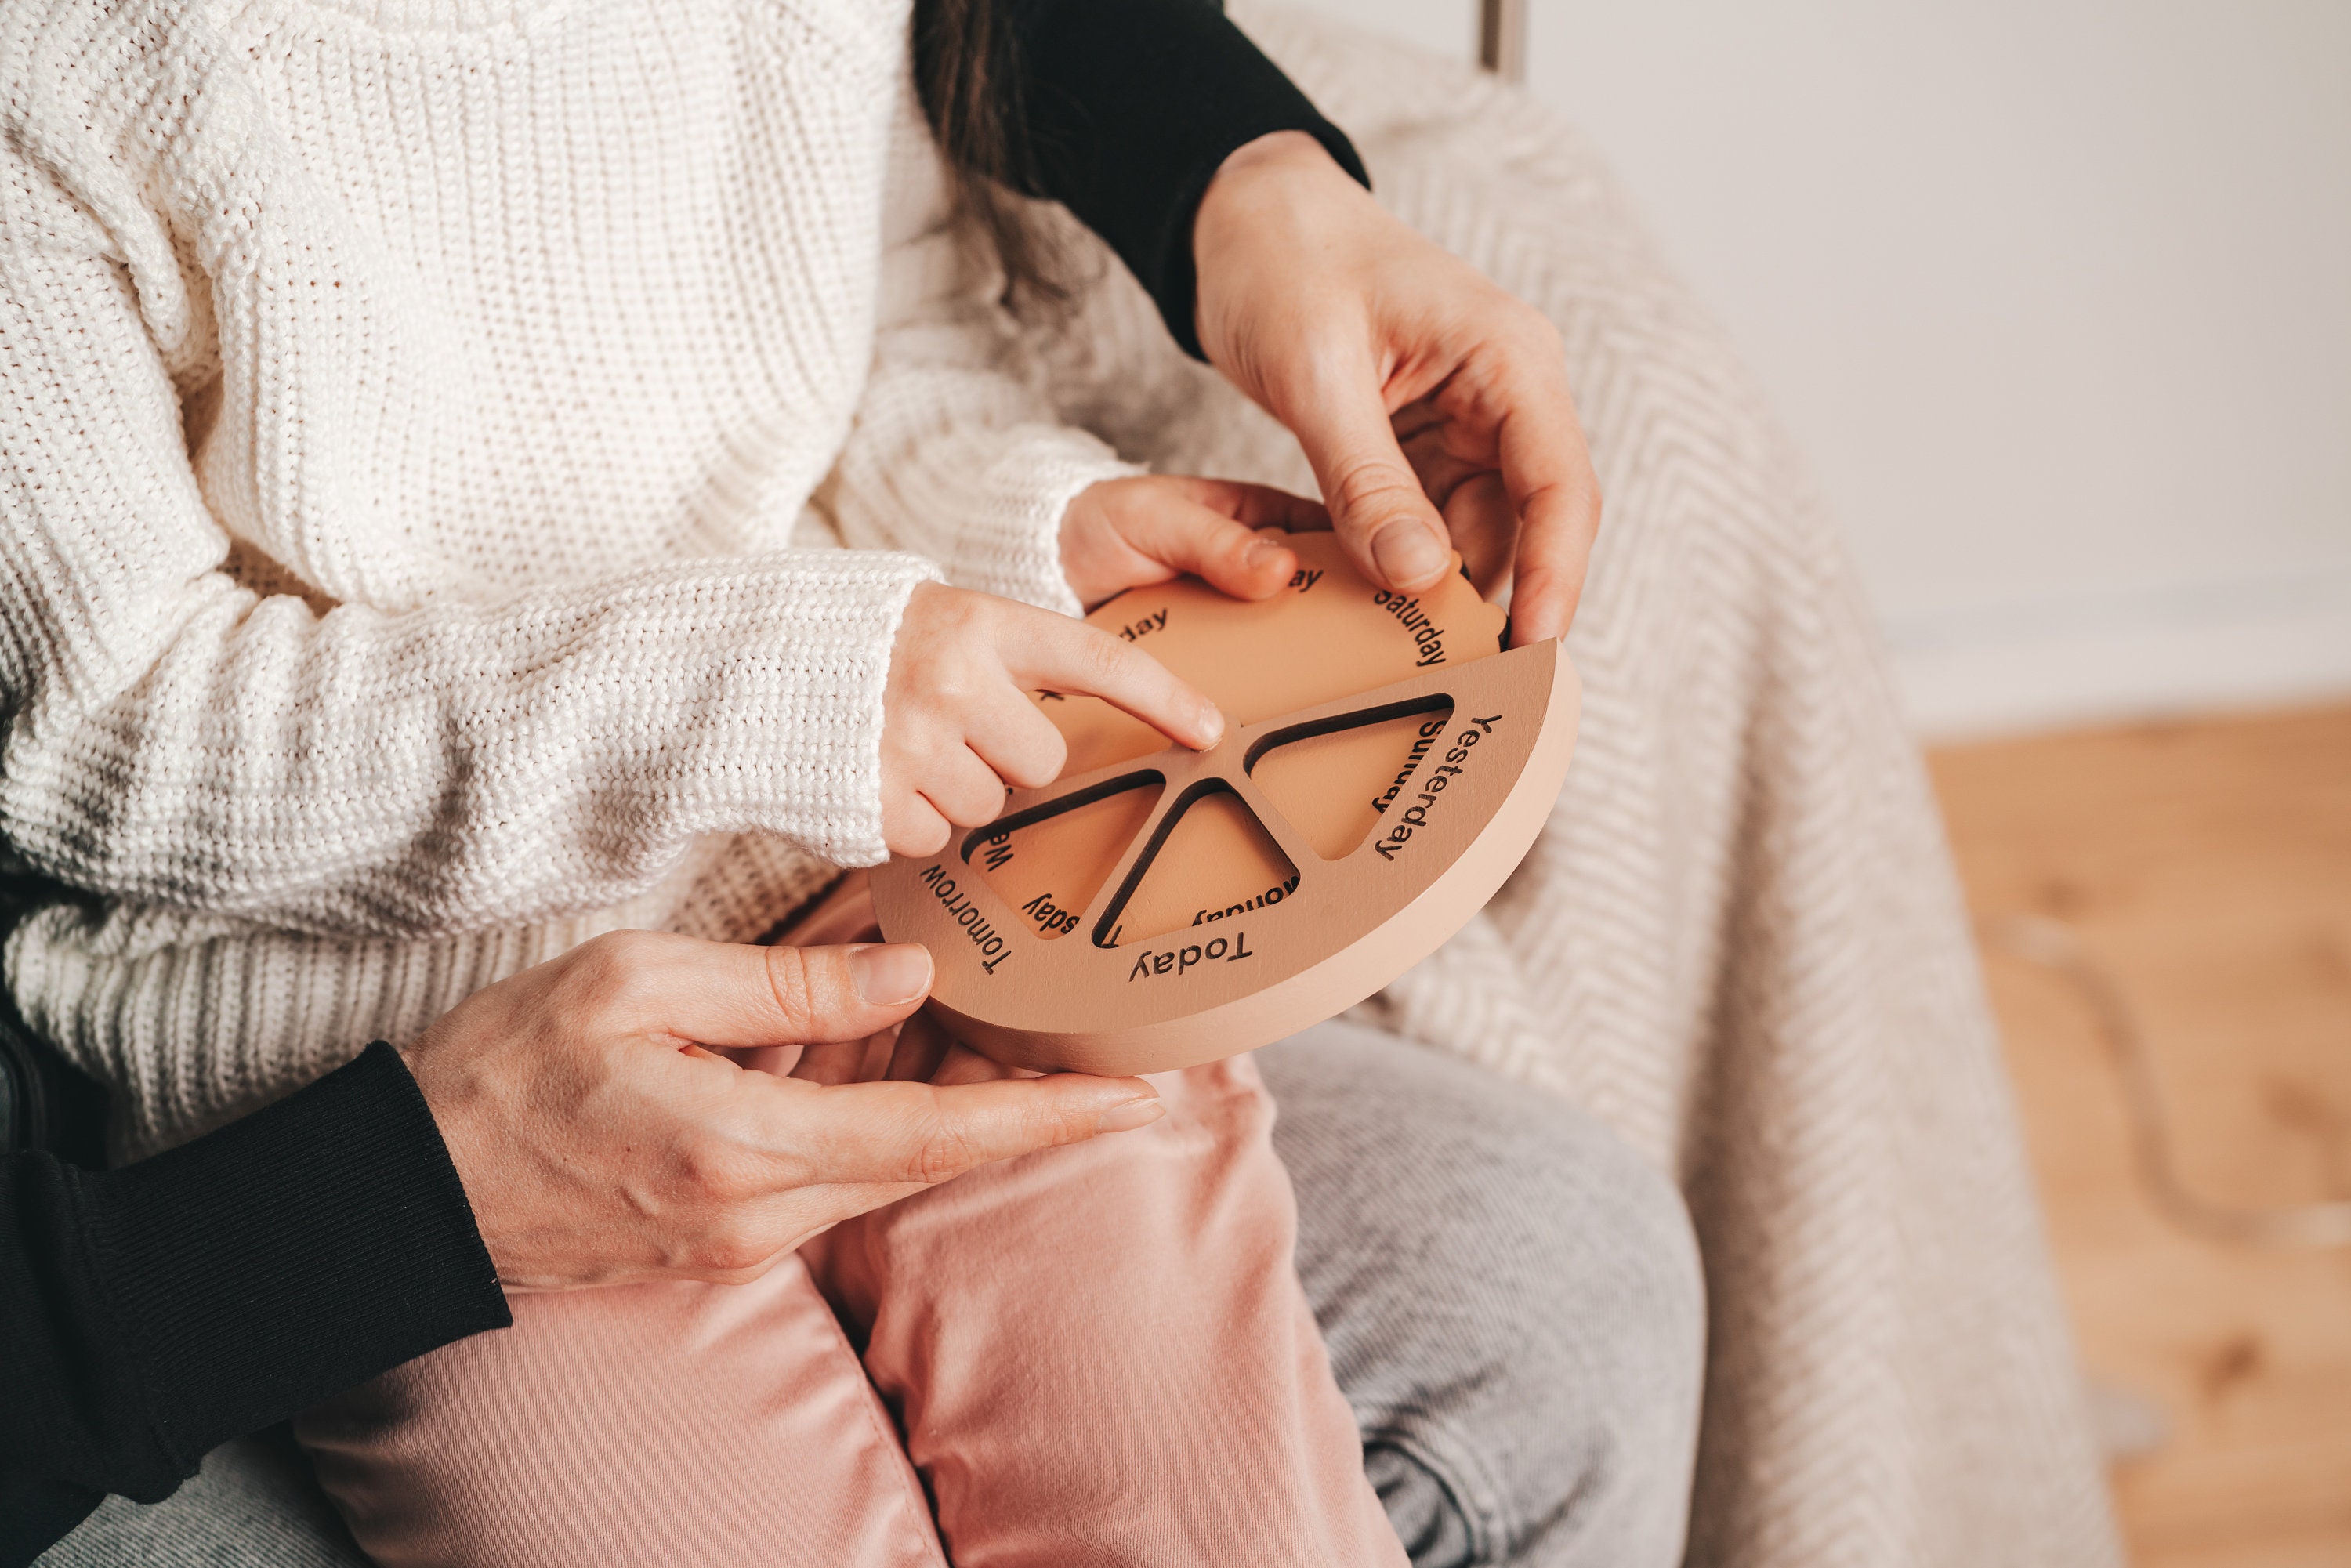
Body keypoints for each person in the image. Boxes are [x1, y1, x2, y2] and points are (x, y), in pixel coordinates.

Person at [3, 2, 1679, 1563]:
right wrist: (775, 684)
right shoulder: (61, 80)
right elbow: (105, 731)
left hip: (970, 912)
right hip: (423, 1074)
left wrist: (1034, 543)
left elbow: (895, 359)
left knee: (1227, 1508)